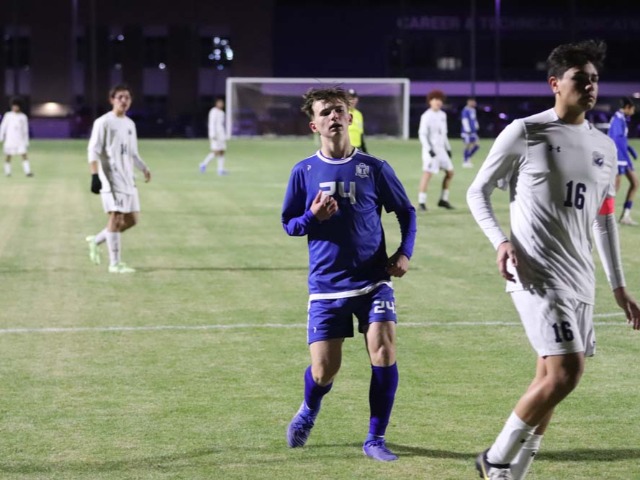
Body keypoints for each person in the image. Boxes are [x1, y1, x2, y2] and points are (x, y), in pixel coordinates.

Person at [467, 39, 640, 480]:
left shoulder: (604, 146)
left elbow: (604, 219)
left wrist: (619, 287)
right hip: (535, 272)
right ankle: (495, 459)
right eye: (580, 79)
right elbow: (477, 192)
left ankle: (515, 471)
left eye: (594, 79)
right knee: (566, 372)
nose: (590, 87)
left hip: (580, 276)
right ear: (555, 83)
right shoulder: (526, 132)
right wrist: (500, 242)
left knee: (550, 377)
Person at [282, 86, 417, 462]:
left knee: (384, 350)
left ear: (350, 117)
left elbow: (406, 211)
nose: (333, 116)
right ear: (314, 125)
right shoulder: (304, 171)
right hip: (326, 286)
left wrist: (404, 252)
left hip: (373, 280)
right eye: (325, 112)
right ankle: (309, 408)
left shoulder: (374, 168)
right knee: (324, 371)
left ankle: (375, 438)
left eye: (339, 110)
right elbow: (289, 224)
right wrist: (313, 217)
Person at [85, 84, 151, 274]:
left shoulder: (130, 124)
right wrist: (94, 175)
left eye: (127, 97)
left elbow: (133, 153)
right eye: (120, 97)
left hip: (127, 177)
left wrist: (144, 168)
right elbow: (93, 150)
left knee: (132, 220)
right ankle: (114, 264)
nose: (124, 100)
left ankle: (96, 240)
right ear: (112, 100)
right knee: (116, 217)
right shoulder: (103, 122)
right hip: (110, 177)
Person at [417, 89, 454, 211]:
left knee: (450, 173)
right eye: (435, 99)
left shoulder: (443, 115)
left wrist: (448, 148)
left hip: (441, 150)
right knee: (428, 174)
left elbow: (444, 134)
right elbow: (422, 134)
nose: (438, 102)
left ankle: (443, 199)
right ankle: (421, 202)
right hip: (431, 151)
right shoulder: (426, 116)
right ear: (430, 101)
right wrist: (429, 149)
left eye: (440, 100)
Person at [608, 96, 638, 225]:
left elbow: (621, 139)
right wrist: (625, 158)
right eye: (633, 109)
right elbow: (615, 140)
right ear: (627, 107)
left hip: (622, 157)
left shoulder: (622, 118)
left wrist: (629, 148)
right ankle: (604, 216)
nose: (633, 112)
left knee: (635, 183)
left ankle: (625, 216)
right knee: (614, 189)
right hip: (618, 158)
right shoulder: (617, 119)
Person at [0, 97, 34, 177]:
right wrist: (1, 137)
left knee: (24, 155)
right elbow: (3, 127)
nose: (15, 108)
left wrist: (26, 141)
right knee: (8, 156)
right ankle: (8, 172)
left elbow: (25, 130)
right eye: (14, 106)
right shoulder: (8, 115)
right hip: (10, 139)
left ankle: (28, 172)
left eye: (16, 106)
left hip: (20, 140)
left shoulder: (23, 117)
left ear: (19, 107)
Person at [199, 97, 228, 175]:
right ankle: (204, 164)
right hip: (215, 135)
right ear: (216, 103)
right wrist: (212, 134)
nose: (221, 104)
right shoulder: (213, 112)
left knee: (222, 151)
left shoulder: (222, 113)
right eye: (219, 103)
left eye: (222, 103)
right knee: (216, 151)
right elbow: (212, 123)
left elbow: (221, 125)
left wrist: (224, 135)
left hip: (221, 135)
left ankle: (220, 169)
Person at [461, 97, 480, 168]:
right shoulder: (465, 110)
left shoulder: (473, 110)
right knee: (468, 146)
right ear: (469, 102)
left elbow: (474, 119)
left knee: (477, 145)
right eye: (473, 102)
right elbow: (464, 120)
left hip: (473, 131)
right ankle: (465, 161)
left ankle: (467, 157)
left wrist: (476, 125)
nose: (474, 103)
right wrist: (467, 129)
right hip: (467, 132)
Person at [347, 88, 368, 153]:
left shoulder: (359, 114)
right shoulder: (342, 113)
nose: (352, 101)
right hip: (346, 148)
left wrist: (365, 151)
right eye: (349, 99)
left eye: (353, 98)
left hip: (357, 148)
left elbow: (360, 133)